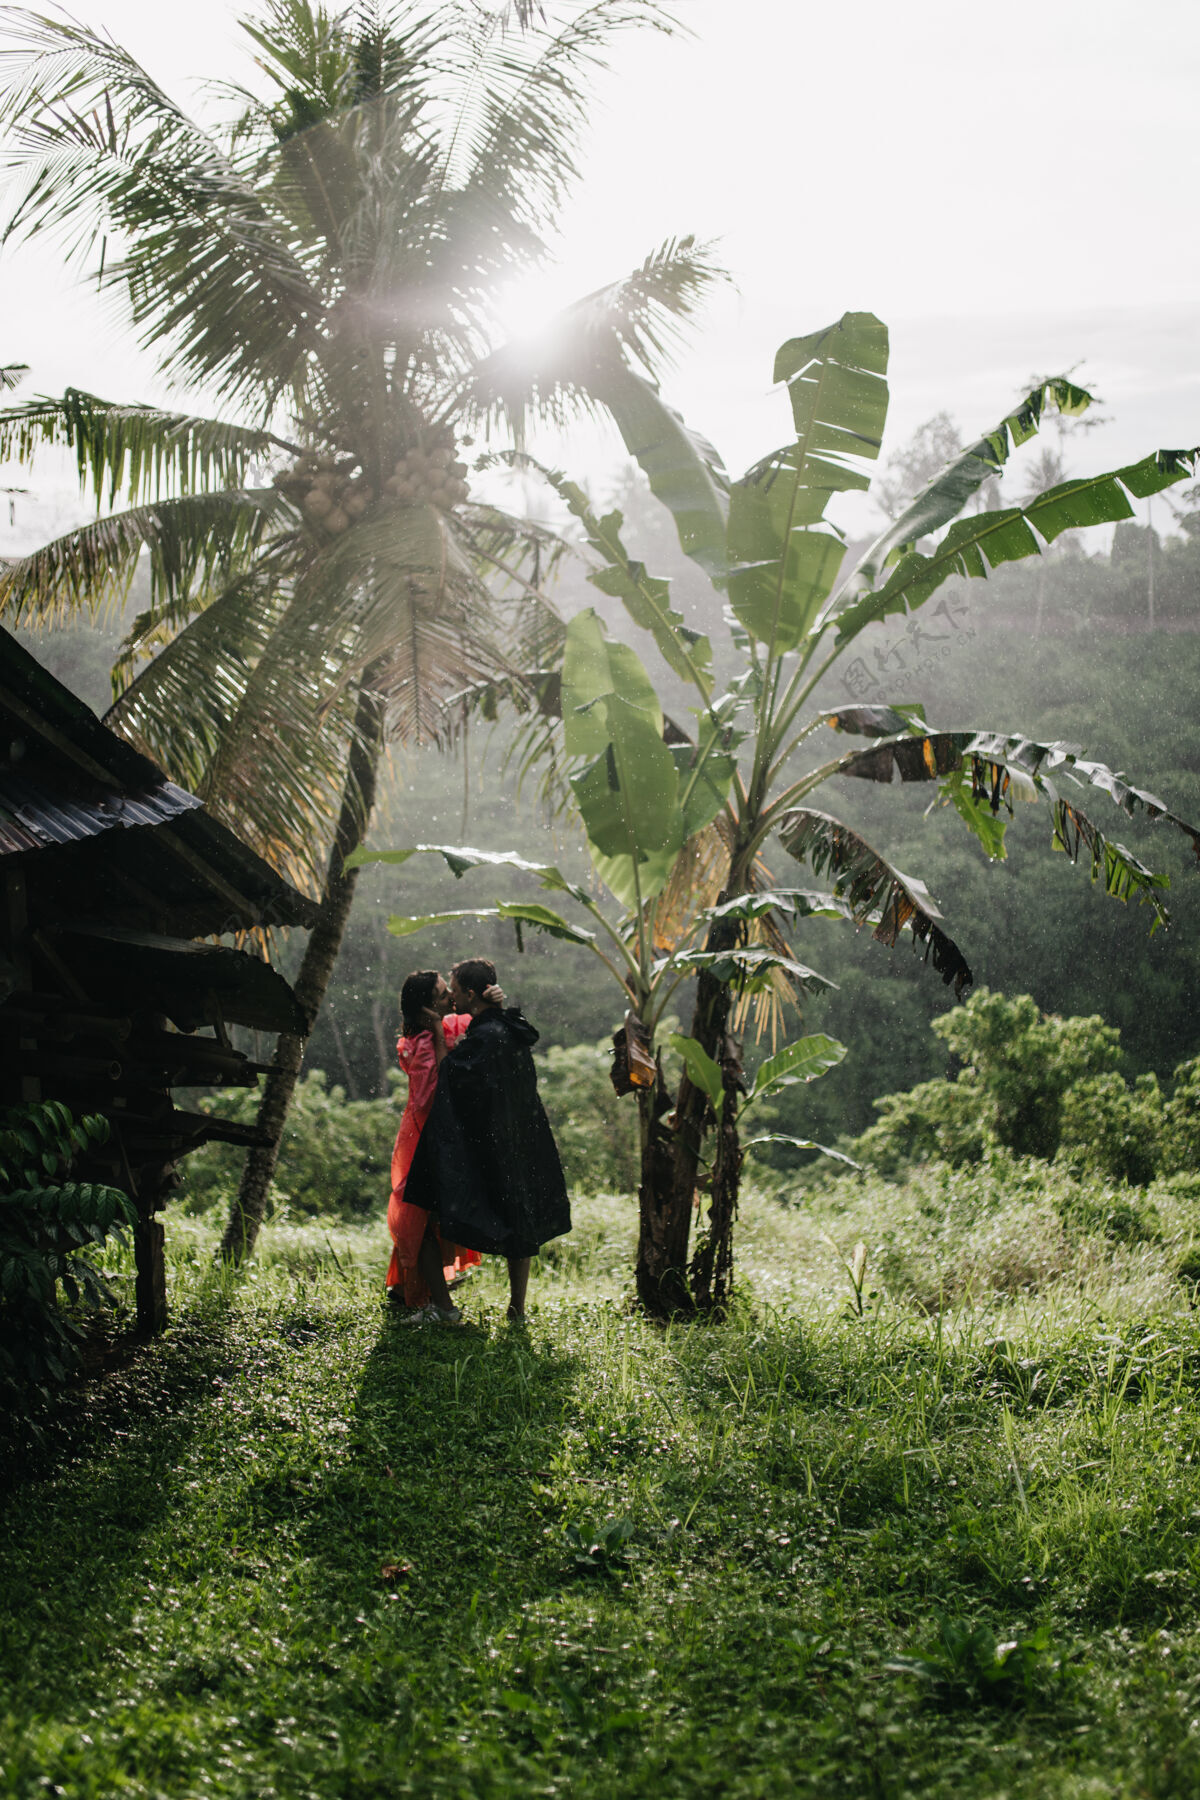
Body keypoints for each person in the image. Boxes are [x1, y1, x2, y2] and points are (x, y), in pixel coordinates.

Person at [402, 956, 571, 1322]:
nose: (452, 999)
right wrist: (496, 1006)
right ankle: (517, 1310)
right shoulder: (506, 1029)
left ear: (470, 994)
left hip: (483, 1143)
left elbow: (452, 1076)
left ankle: (446, 1308)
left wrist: (436, 1027)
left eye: (456, 990)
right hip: (517, 1140)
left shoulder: (483, 1037)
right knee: (518, 1219)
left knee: (431, 1208)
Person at [385, 968, 497, 1315]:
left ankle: (426, 1295)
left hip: (442, 1139)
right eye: (443, 992)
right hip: (424, 1140)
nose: (451, 996)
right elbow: (433, 1092)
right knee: (421, 1218)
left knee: (434, 1218)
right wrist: (435, 1031)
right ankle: (441, 1305)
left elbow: (475, 1020)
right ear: (428, 1006)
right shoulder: (420, 1044)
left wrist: (491, 1003)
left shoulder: (445, 1027)